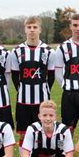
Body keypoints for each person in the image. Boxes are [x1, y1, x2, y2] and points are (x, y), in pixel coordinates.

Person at [10, 17, 56, 146]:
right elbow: (15, 76)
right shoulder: (16, 51)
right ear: (25, 29)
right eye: (29, 27)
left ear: (40, 29)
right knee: (24, 133)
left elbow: (51, 76)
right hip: (23, 100)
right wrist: (21, 90)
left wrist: (44, 90)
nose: (32, 30)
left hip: (42, 101)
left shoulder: (49, 51)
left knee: (43, 131)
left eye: (35, 27)